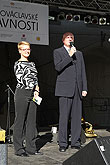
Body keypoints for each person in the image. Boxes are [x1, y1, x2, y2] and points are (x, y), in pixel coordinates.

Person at [53, 32, 87, 152]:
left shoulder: (79, 54)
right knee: (64, 117)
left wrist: (84, 88)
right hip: (64, 89)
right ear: (63, 40)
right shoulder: (57, 52)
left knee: (77, 118)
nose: (70, 39)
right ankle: (62, 143)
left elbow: (82, 71)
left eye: (72, 37)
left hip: (77, 89)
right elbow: (58, 67)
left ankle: (75, 142)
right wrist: (69, 55)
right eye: (68, 37)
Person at [13, 41, 43, 157]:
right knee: (20, 121)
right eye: (24, 49)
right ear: (19, 50)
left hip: (32, 94)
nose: (27, 51)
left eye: (28, 49)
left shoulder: (32, 64)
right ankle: (19, 149)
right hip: (22, 92)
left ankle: (31, 148)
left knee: (31, 122)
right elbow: (22, 79)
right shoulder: (18, 64)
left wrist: (36, 90)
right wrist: (32, 87)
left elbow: (35, 79)